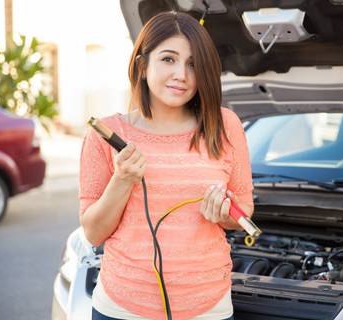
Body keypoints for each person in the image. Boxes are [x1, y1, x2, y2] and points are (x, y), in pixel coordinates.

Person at [79, 11, 254, 320]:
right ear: (143, 65)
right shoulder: (106, 136)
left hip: (207, 306)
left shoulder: (225, 126)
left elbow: (244, 211)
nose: (181, 75)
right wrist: (122, 180)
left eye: (193, 64)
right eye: (169, 59)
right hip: (122, 307)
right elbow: (93, 233)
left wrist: (226, 215)